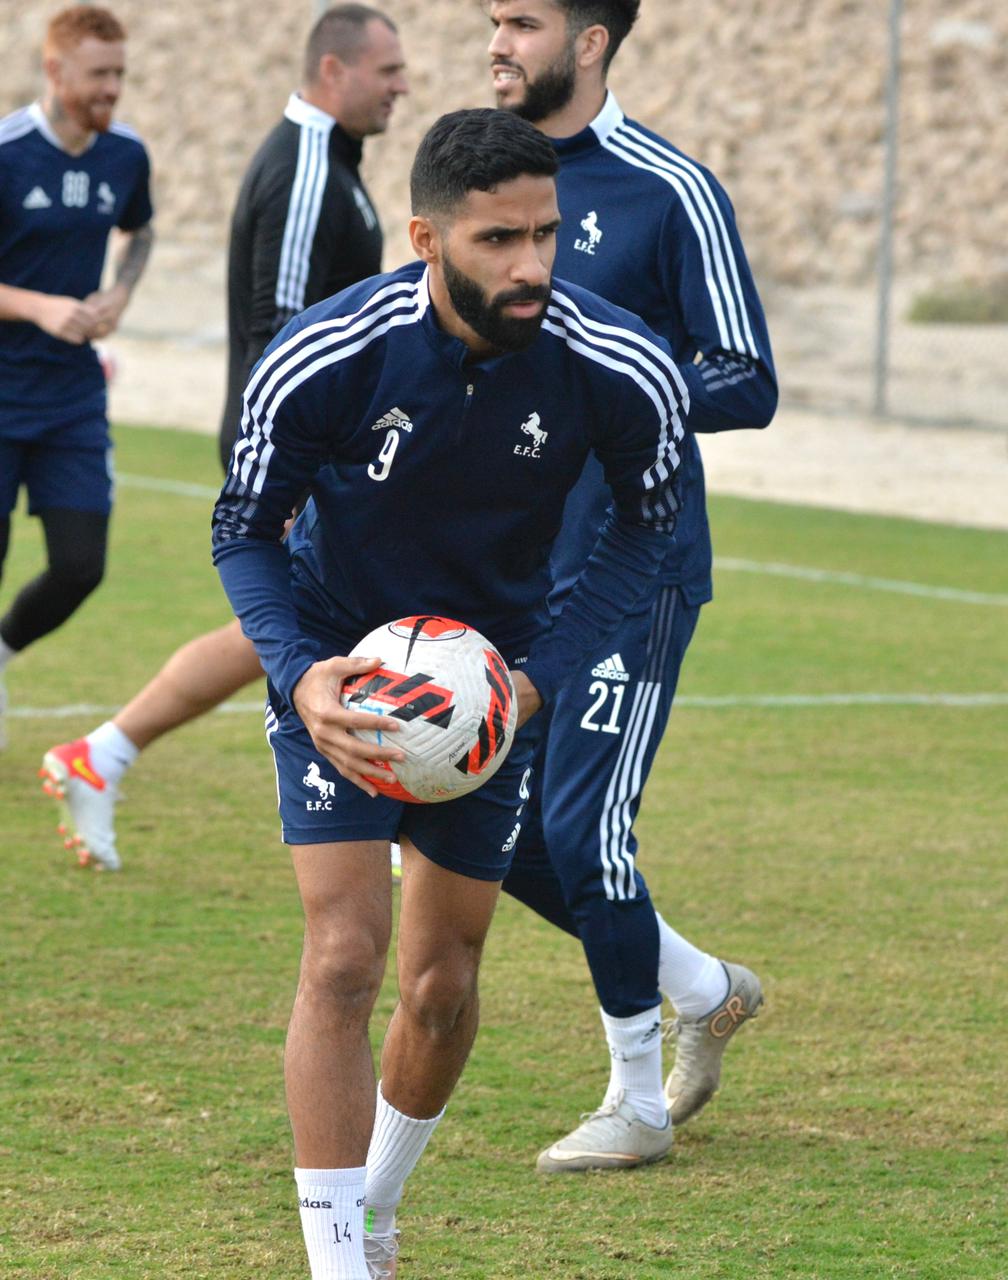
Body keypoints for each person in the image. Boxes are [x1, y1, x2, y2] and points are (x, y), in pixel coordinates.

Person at [211, 106, 701, 1280]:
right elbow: (244, 527)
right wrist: (299, 671)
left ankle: (375, 1205)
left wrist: (536, 679)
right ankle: (337, 1258)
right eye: (498, 241)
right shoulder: (330, 353)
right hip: (346, 663)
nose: (532, 264)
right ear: (428, 236)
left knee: (440, 985)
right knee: (344, 951)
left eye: (545, 233)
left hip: (498, 678)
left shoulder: (614, 361)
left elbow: (648, 532)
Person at [484, 0, 778, 1170]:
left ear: (591, 39)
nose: (497, 39)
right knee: (488, 823)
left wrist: (608, 377)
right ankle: (704, 986)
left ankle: (638, 1103)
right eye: (491, 18)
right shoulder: (478, 171)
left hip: (633, 562)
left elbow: (745, 377)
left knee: (583, 825)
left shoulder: (672, 190)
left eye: (521, 19)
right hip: (505, 567)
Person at [39, 4, 408, 869]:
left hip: (310, 453)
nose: (401, 88)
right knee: (316, 624)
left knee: (289, 629)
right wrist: (285, 479)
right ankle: (394, 813)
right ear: (334, 71)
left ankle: (104, 754)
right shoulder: (311, 170)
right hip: (295, 454)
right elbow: (281, 333)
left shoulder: (334, 165)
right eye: (387, 72)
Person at [0, 5, 153, 750]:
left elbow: (141, 228)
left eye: (120, 74)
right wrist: (38, 308)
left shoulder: (125, 156)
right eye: (100, 74)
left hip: (71, 400)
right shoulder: (5, 153)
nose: (113, 90)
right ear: (56, 72)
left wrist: (120, 292)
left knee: (80, 565)